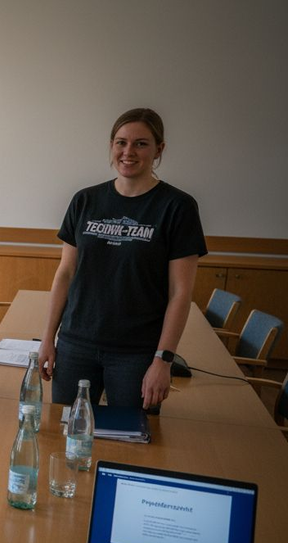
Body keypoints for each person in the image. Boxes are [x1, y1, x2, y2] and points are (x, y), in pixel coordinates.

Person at [39, 108, 206, 409]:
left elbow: (180, 293)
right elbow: (66, 273)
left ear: (159, 149)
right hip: (77, 343)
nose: (128, 152)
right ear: (112, 146)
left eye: (141, 143)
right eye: (121, 142)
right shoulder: (85, 200)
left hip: (137, 353)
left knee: (132, 445)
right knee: (66, 439)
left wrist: (163, 360)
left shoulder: (177, 207)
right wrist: (48, 338)